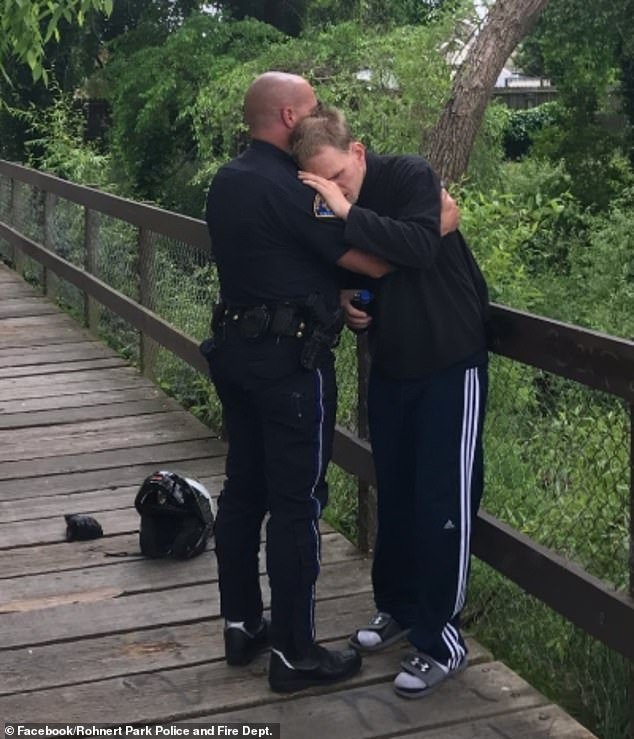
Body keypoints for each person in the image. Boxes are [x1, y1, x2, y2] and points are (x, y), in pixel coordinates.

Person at [201, 72, 394, 694]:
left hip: (235, 352)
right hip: (288, 365)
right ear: (288, 116)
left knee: (242, 490)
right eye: (312, 111)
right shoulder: (294, 187)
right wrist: (426, 231)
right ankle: (293, 652)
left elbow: (275, 259)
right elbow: (365, 256)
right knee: (296, 504)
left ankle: (240, 623)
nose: (318, 120)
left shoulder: (227, 181)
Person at [290, 106, 489, 699]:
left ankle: (441, 638)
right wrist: (354, 294)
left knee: (442, 502)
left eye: (339, 178)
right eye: (321, 186)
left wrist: (350, 212)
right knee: (396, 492)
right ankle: (398, 608)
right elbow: (359, 259)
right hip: (392, 363)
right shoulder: (326, 202)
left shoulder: (408, 175)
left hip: (450, 361)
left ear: (358, 151)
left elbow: (421, 247)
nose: (334, 193)